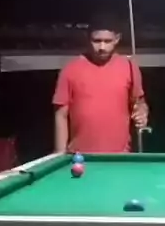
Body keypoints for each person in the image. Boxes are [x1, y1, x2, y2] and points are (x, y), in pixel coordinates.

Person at [53, 16, 149, 154]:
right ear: (88, 38)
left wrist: (143, 112)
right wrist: (59, 154)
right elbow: (61, 115)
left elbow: (139, 103)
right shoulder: (70, 69)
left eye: (107, 41)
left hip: (120, 156)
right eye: (97, 41)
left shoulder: (129, 67)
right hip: (79, 156)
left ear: (117, 39)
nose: (102, 47)